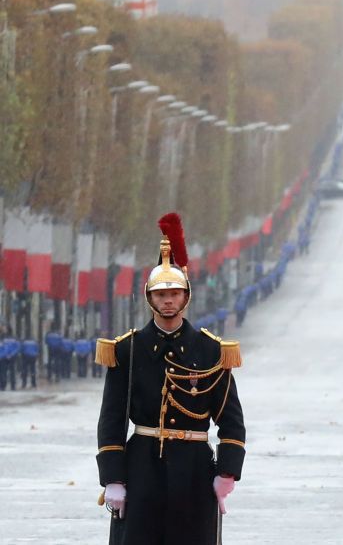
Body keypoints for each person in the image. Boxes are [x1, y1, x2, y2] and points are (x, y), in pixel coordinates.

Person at [95, 212, 246, 544]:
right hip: (141, 469)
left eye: (174, 294)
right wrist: (113, 478)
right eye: (161, 295)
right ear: (150, 298)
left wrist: (227, 472)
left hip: (194, 473)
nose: (168, 301)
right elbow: (112, 419)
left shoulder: (211, 350)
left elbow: (231, 421)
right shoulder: (127, 349)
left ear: (185, 297)